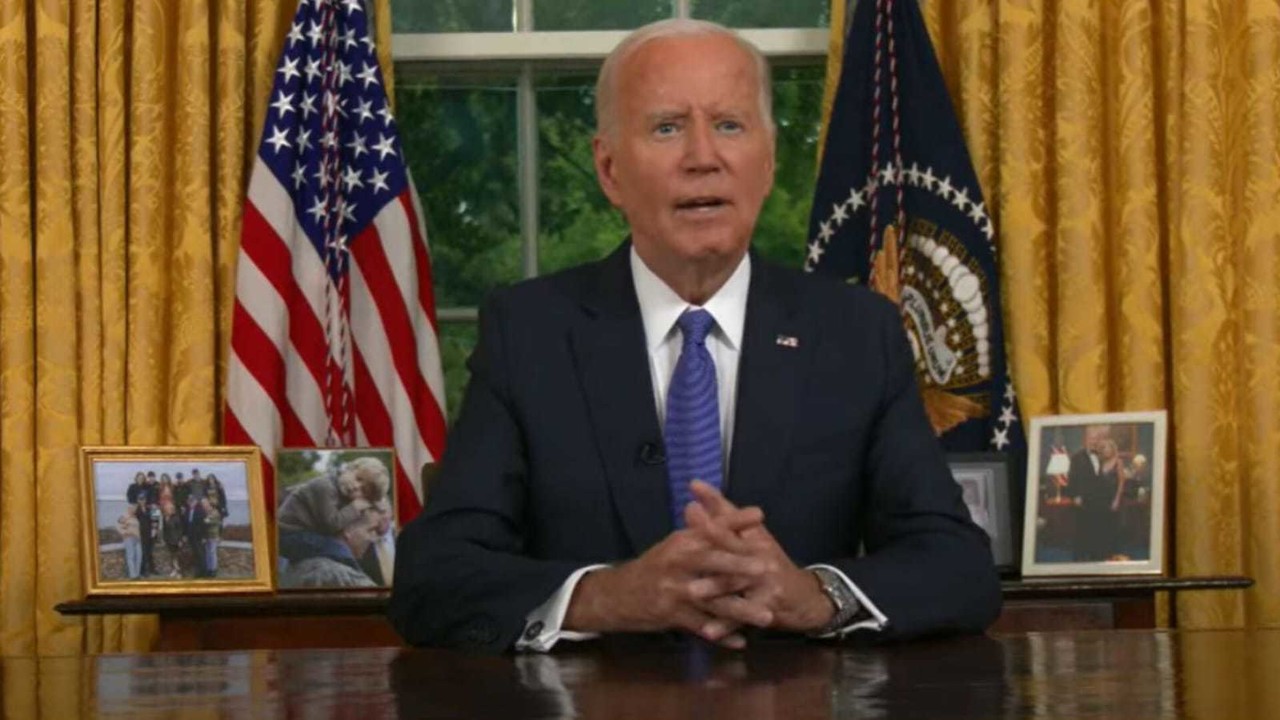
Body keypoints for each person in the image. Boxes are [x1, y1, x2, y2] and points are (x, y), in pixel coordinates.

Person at [390, 19, 1000, 654]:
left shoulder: (856, 332)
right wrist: (610, 597)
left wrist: (815, 596)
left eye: (730, 125)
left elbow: (958, 565)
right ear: (608, 170)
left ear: (767, 162)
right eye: (667, 127)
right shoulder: (530, 333)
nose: (703, 156)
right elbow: (433, 576)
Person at [279, 507, 382, 589]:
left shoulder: (293, 565)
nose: (373, 539)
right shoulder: (338, 576)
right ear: (348, 530)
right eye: (370, 530)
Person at [117, 505, 142, 580]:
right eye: (131, 509)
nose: (133, 510)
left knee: (139, 556)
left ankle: (137, 574)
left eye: (134, 509)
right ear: (128, 509)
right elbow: (118, 526)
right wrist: (124, 533)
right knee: (130, 556)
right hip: (129, 539)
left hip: (137, 539)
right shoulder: (125, 517)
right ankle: (133, 575)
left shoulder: (135, 517)